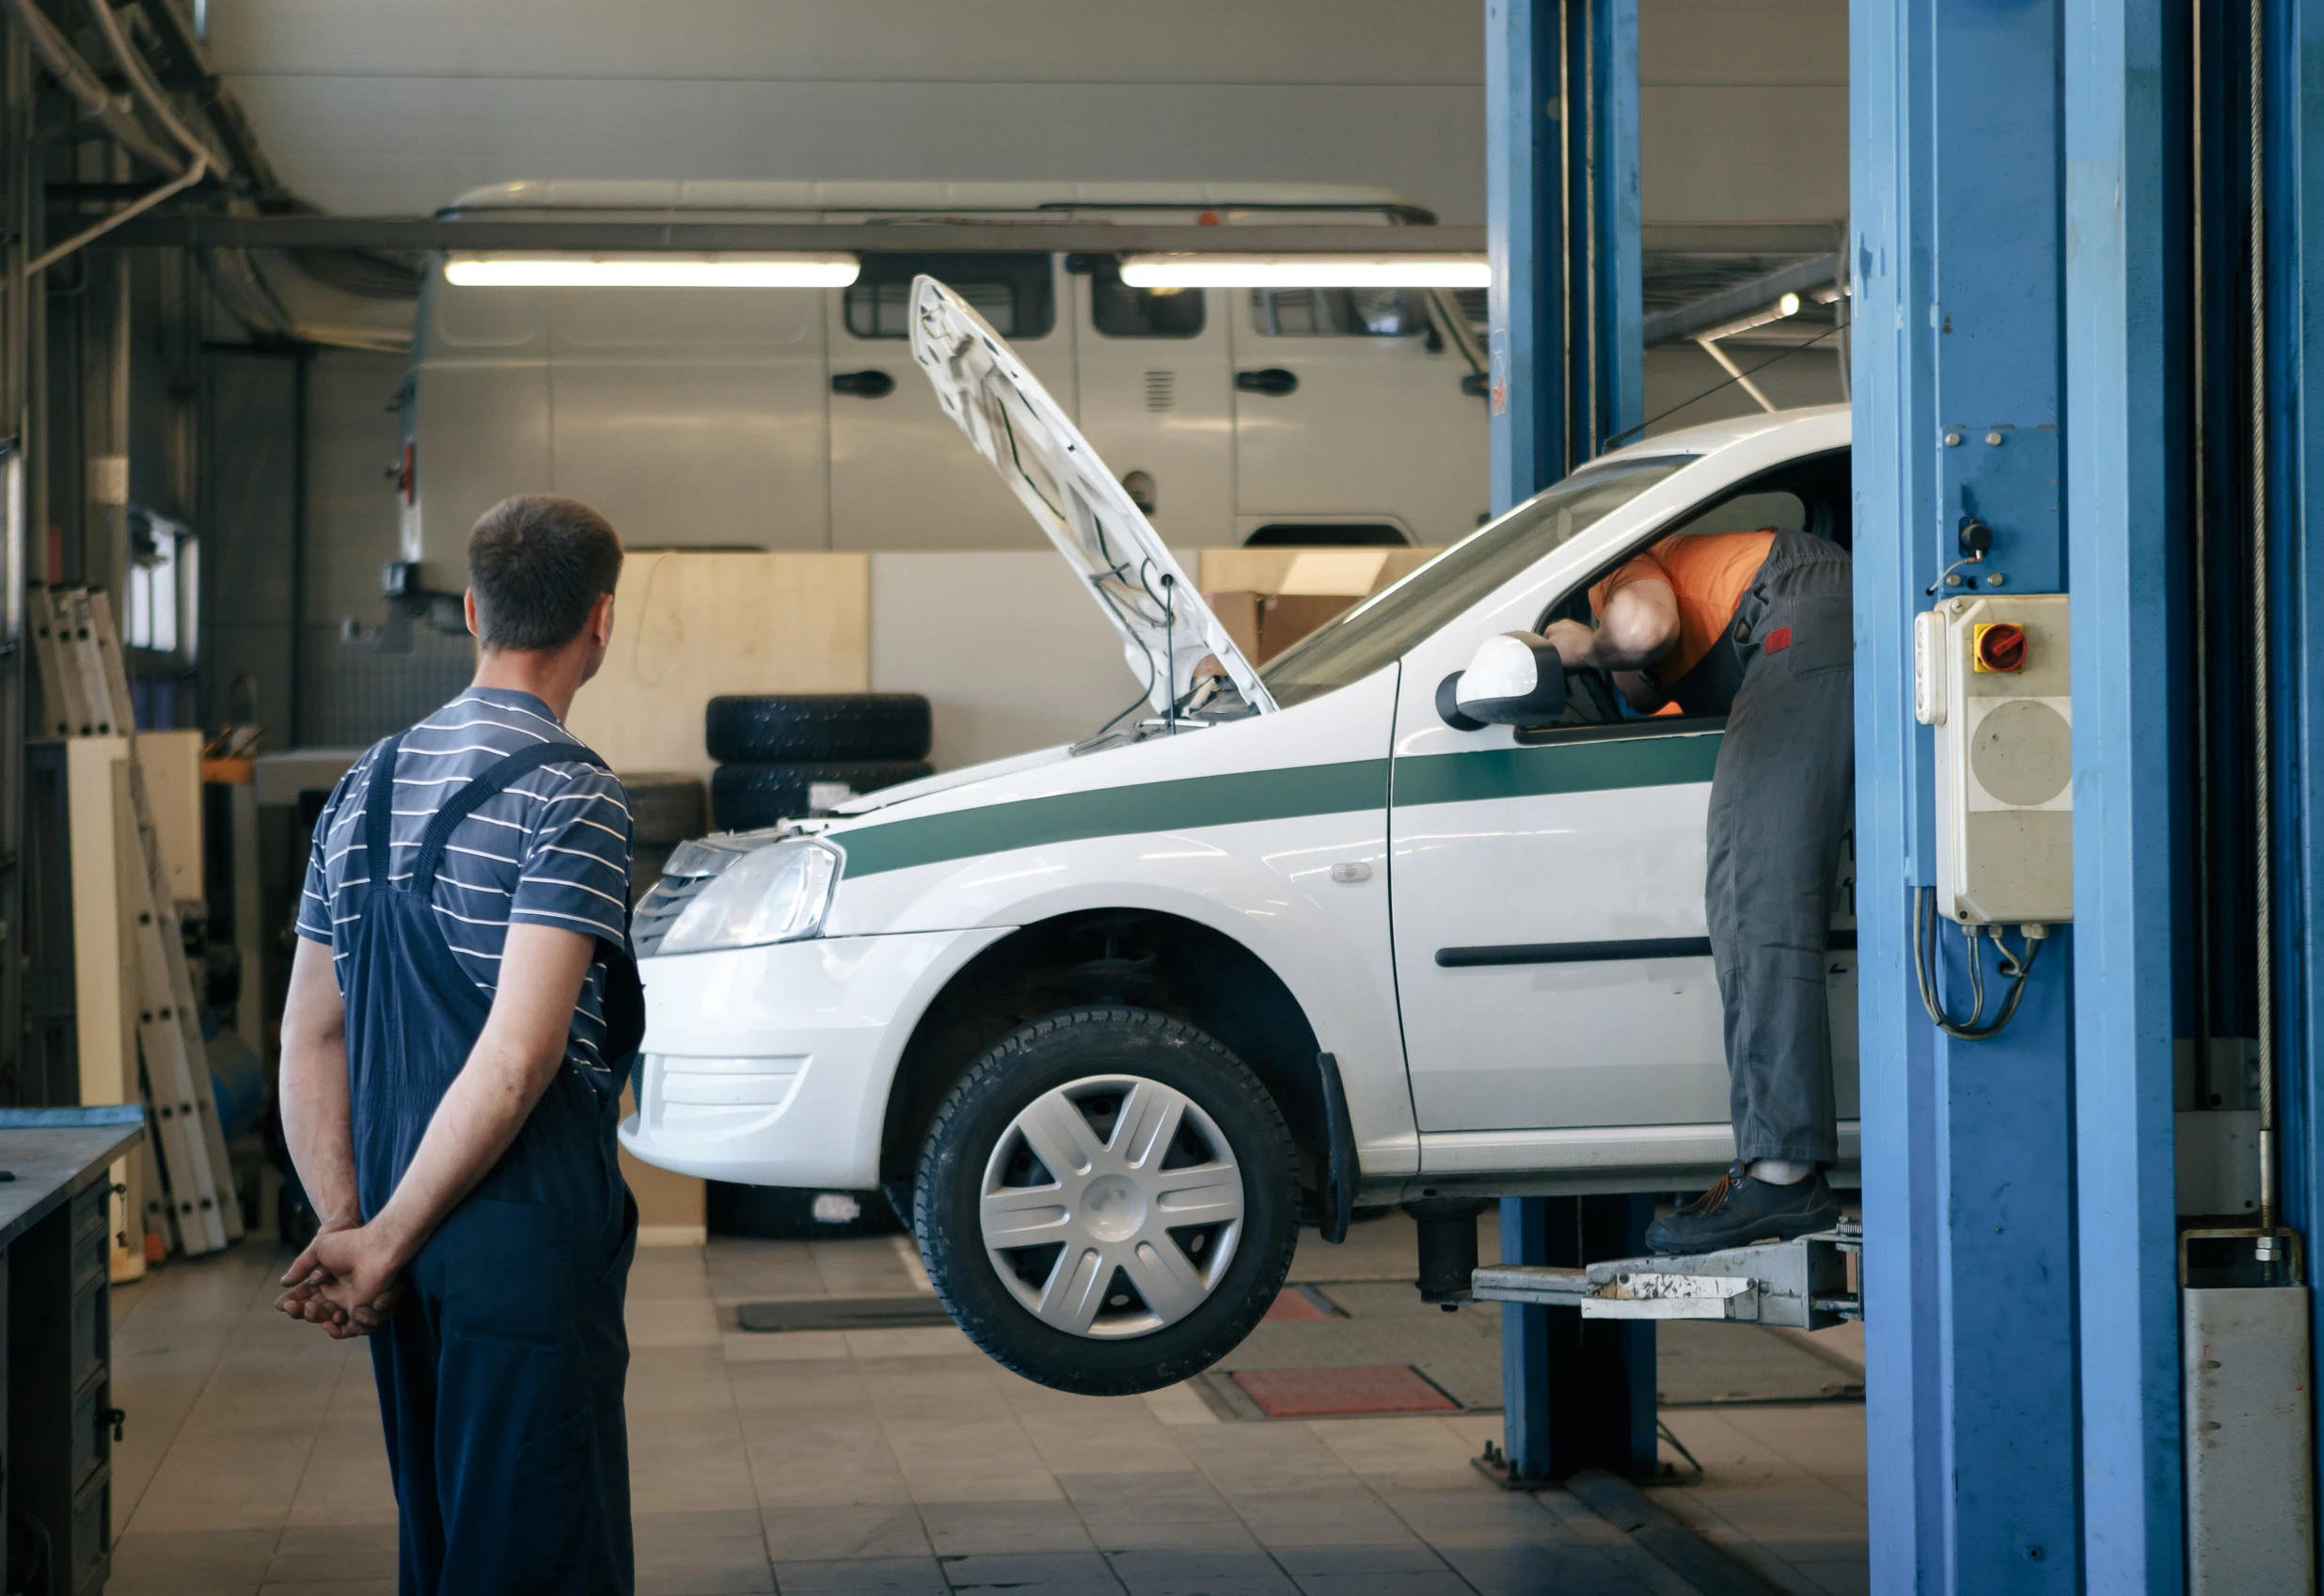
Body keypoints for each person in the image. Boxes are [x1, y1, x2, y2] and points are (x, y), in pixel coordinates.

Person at [275, 494, 642, 1594]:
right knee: (536, 1551)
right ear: (601, 620)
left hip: (400, 1235)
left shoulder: (360, 789)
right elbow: (518, 1058)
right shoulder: (571, 793)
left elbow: (311, 1033)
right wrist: (382, 1238)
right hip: (512, 1242)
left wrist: (360, 1227)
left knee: (438, 1545)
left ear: (473, 609)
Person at [1543, 524, 1853, 1254]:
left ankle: (1780, 1176)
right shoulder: (1701, 655)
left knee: (1755, 888)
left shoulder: (1619, 566)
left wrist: (1578, 644)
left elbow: (1643, 626)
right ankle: (1776, 1164)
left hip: (1793, 607)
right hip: (1804, 613)